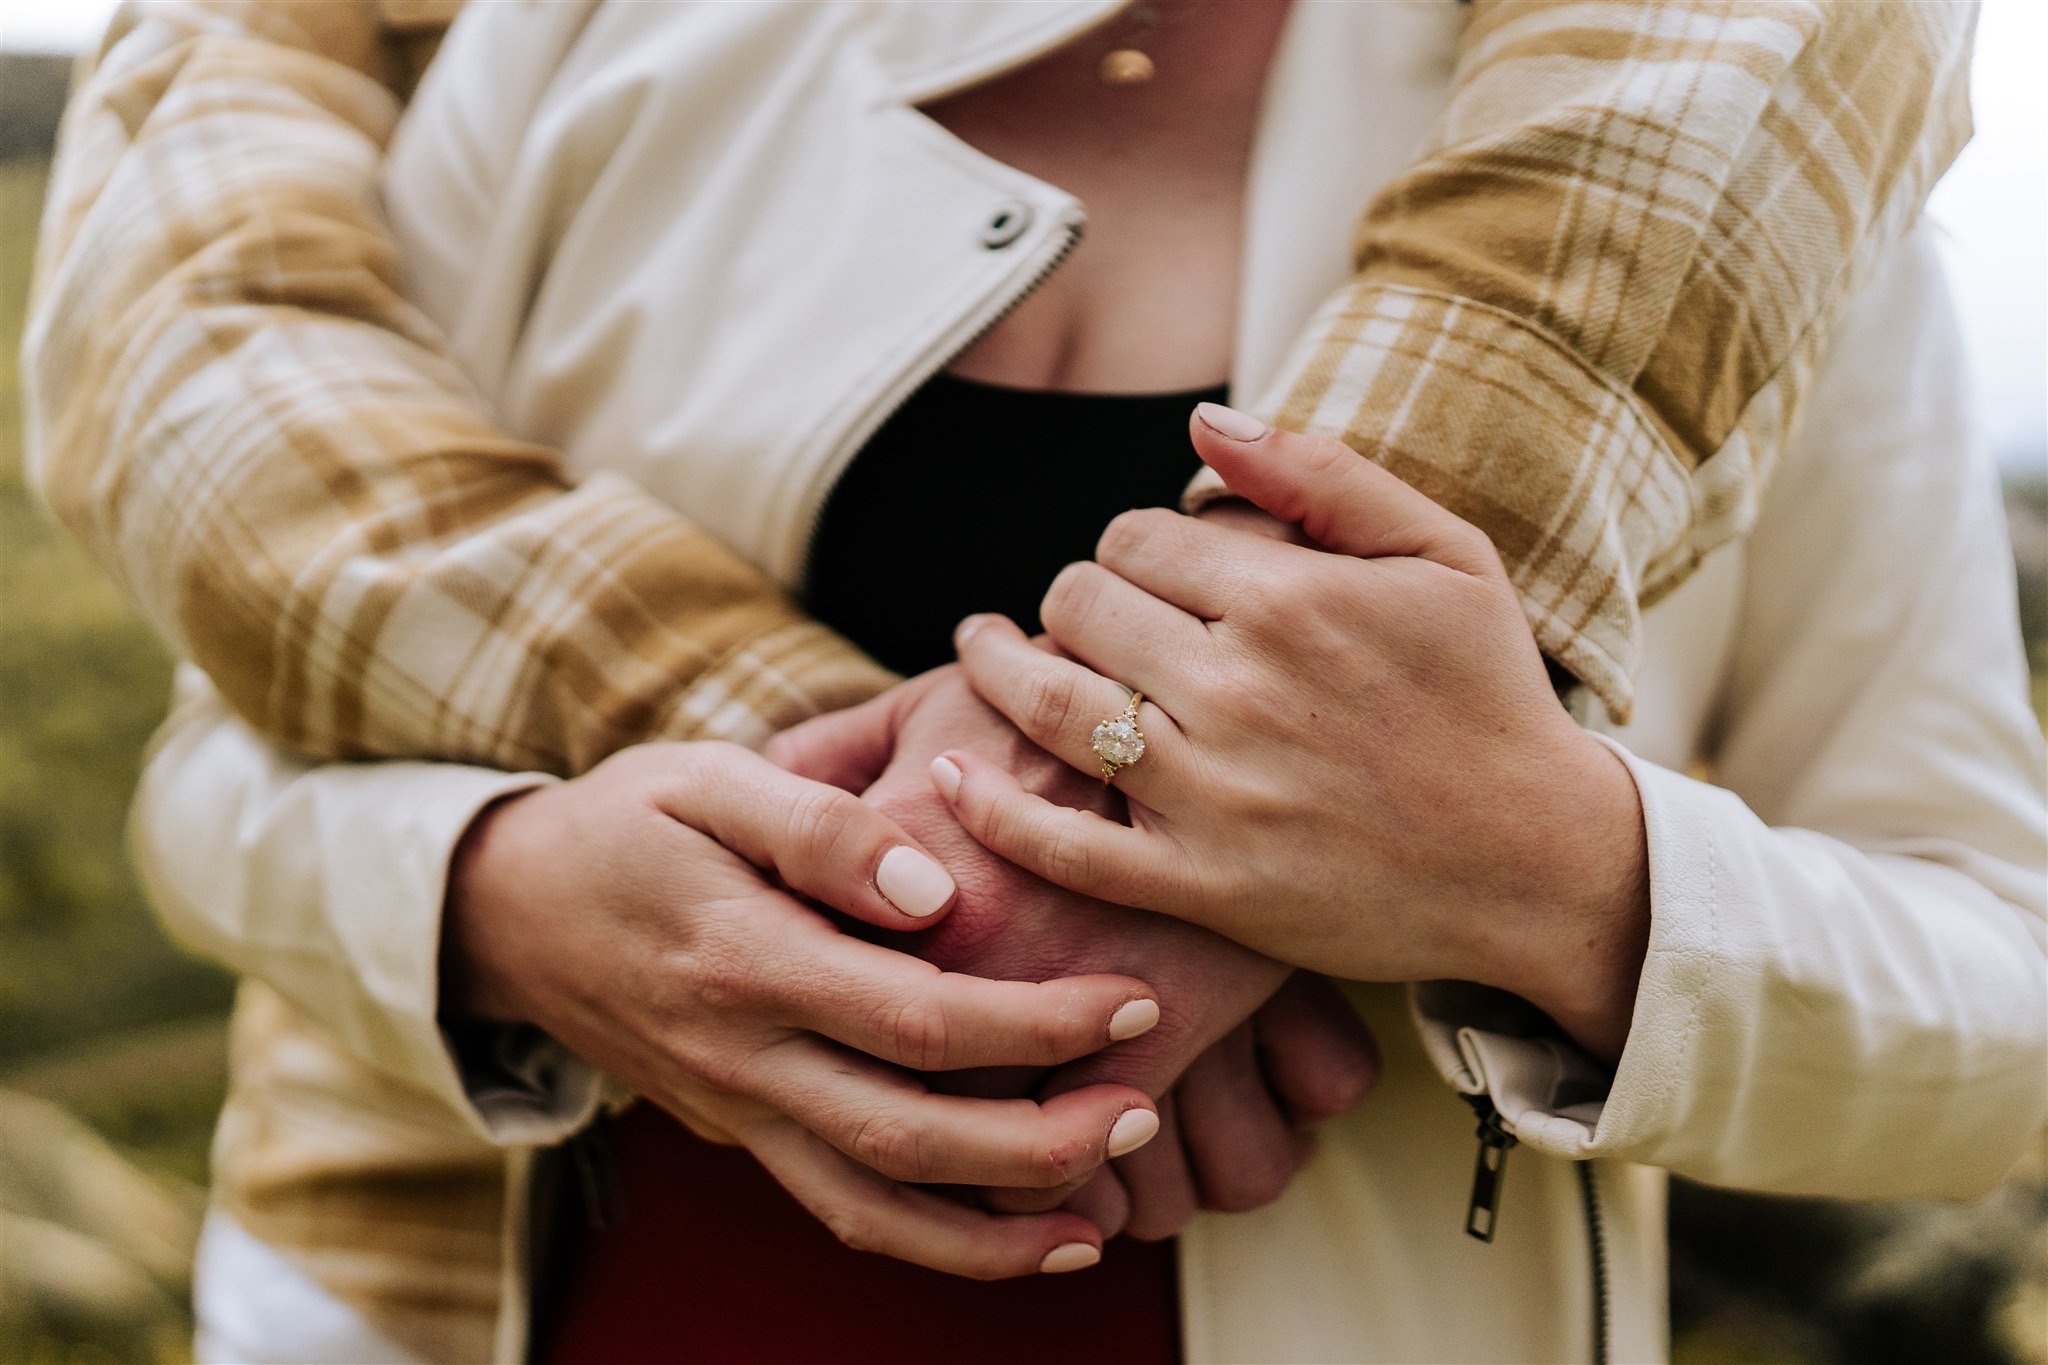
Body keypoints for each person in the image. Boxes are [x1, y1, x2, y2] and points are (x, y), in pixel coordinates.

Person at [27, 1, 2037, 1362]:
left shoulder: (1752, 207)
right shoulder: (583, 49)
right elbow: (214, 774)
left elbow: (1999, 1016)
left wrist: (1551, 878)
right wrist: (501, 894)